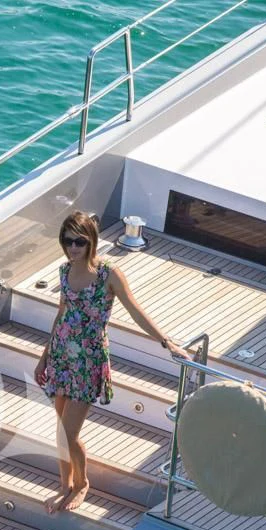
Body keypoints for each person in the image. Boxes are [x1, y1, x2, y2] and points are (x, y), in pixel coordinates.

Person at [35, 212, 187, 513]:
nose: (73, 247)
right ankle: (65, 485)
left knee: (69, 432)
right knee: (61, 430)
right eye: (68, 241)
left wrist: (165, 341)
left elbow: (135, 310)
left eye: (80, 241)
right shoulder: (64, 272)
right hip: (62, 358)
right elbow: (61, 314)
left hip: (88, 363)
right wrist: (44, 357)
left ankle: (82, 484)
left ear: (91, 240)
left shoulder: (109, 274)